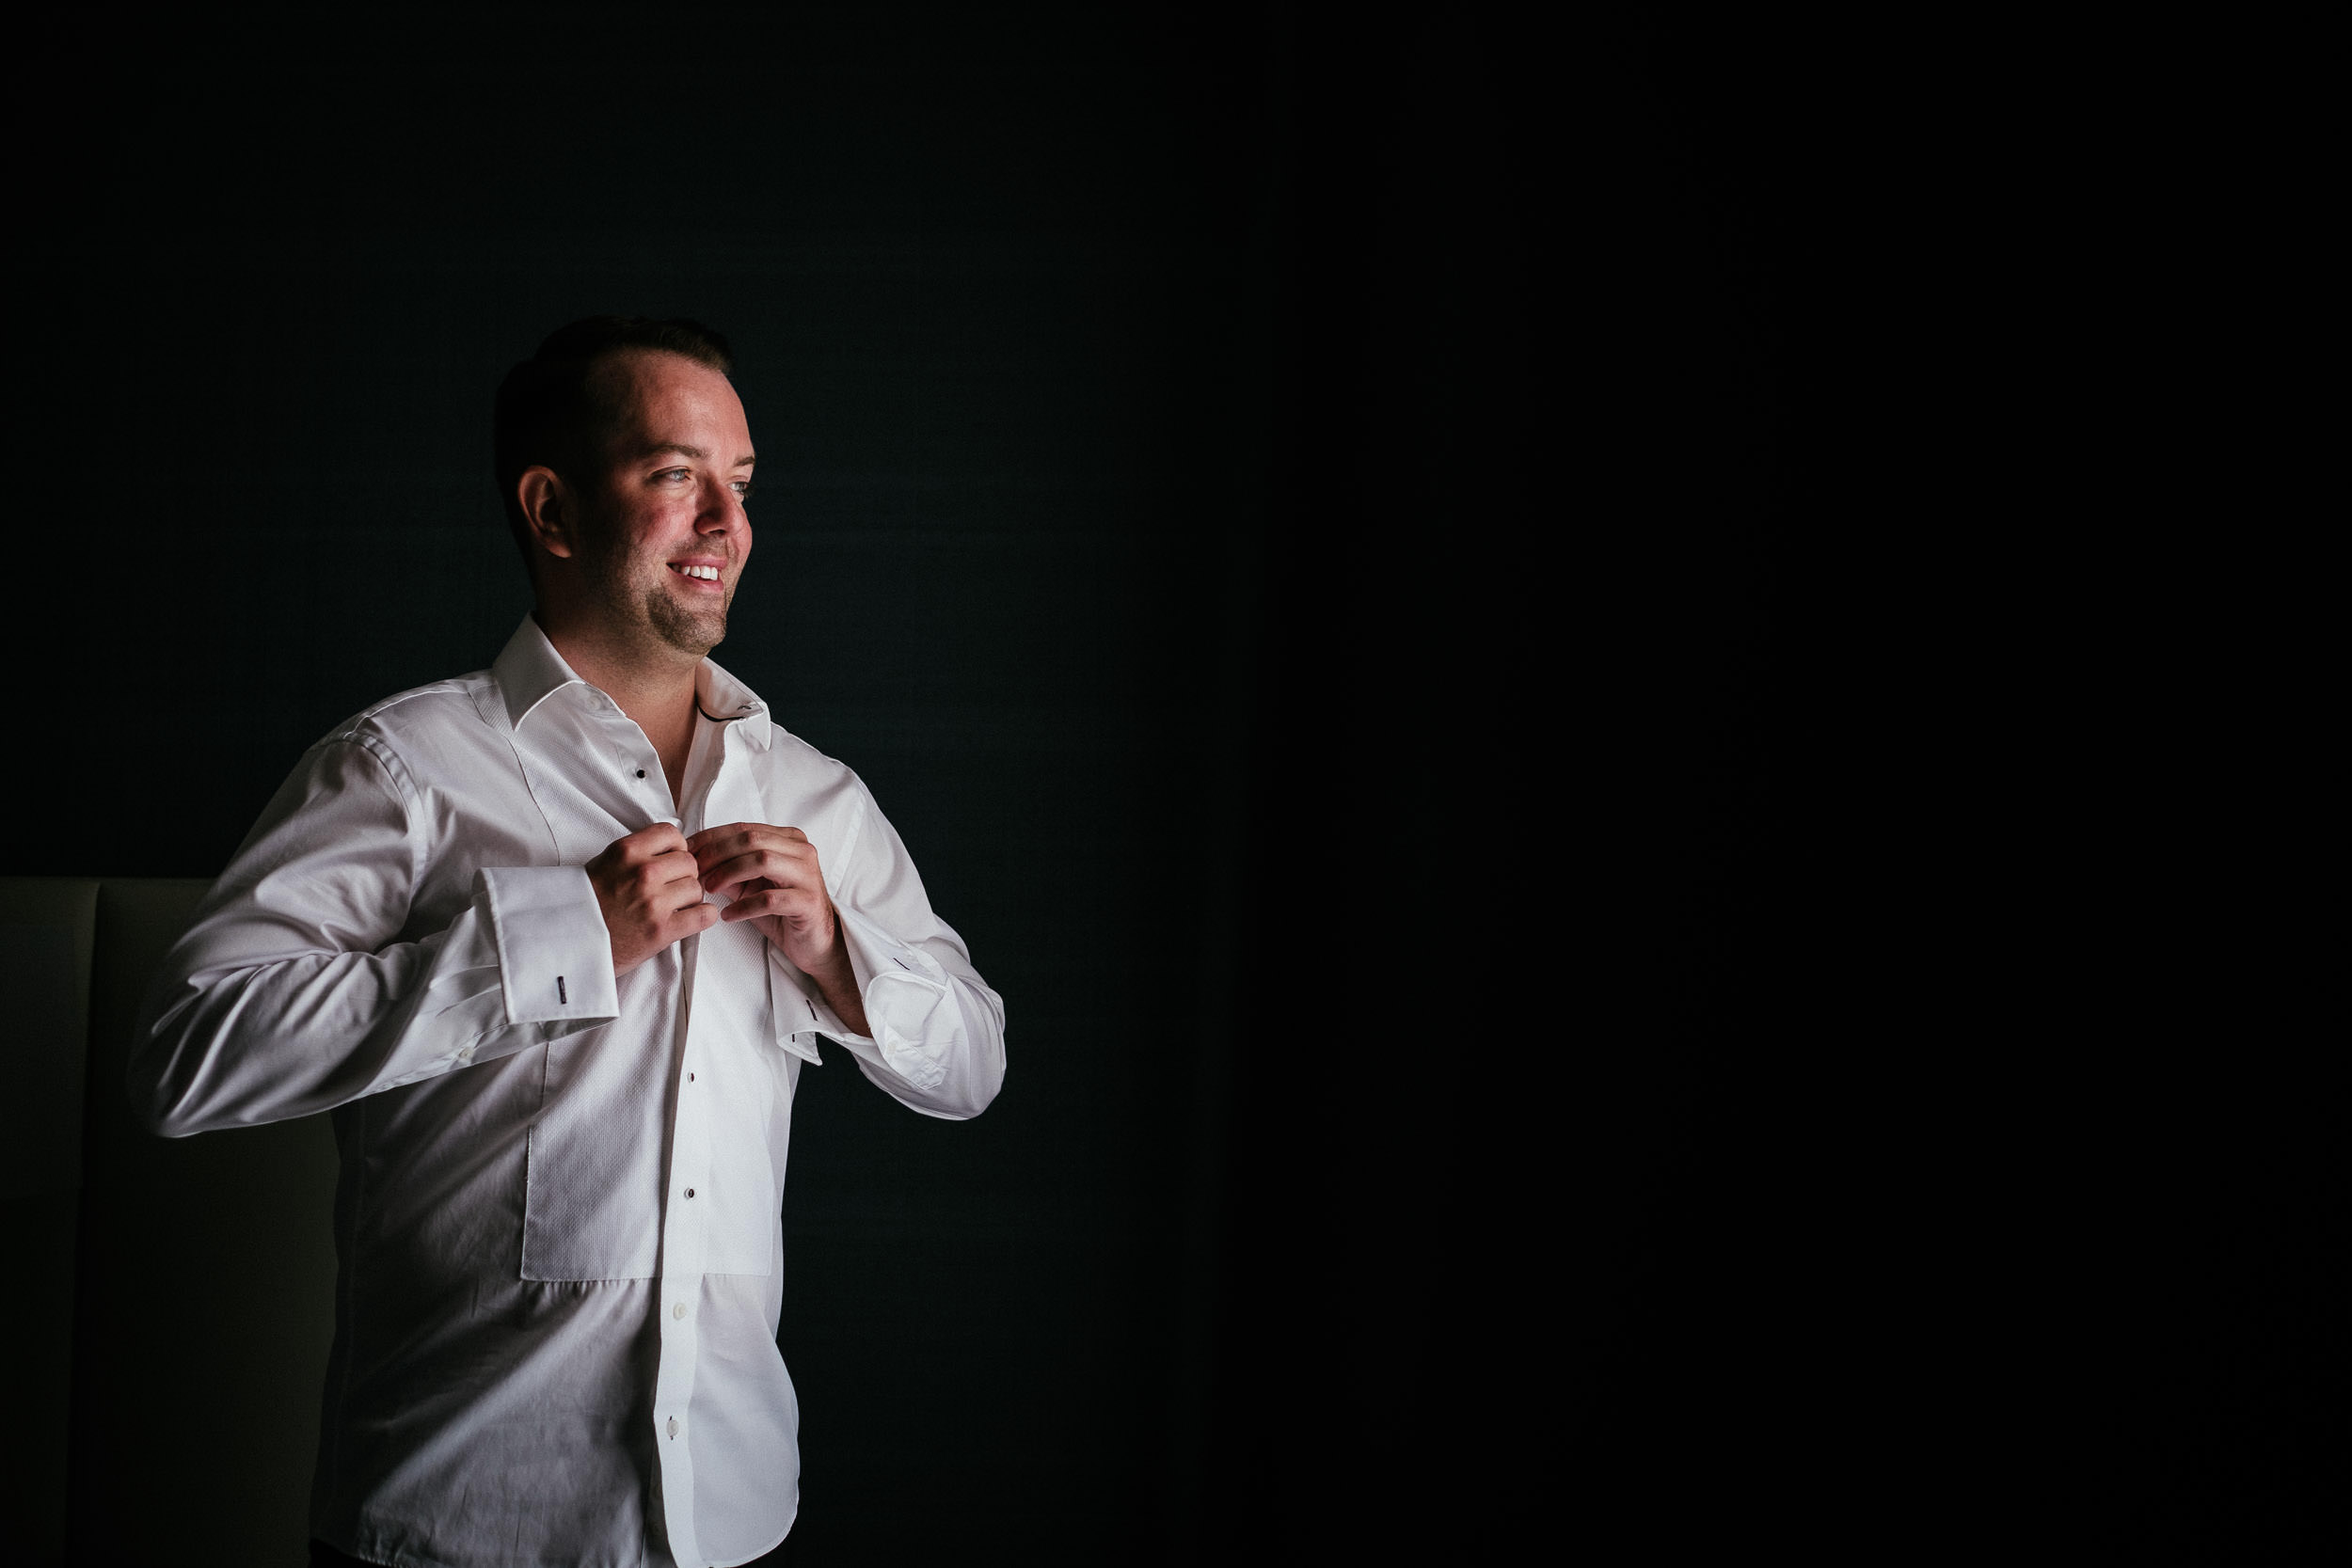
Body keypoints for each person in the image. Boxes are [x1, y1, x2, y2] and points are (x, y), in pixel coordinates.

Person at [129, 316, 1007, 1568]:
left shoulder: (816, 801)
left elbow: (974, 1064)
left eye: (741, 487)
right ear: (552, 512)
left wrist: (838, 952)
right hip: (455, 1524)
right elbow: (181, 1057)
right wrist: (553, 938)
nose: (726, 524)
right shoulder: (405, 769)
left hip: (733, 1520)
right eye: (674, 476)